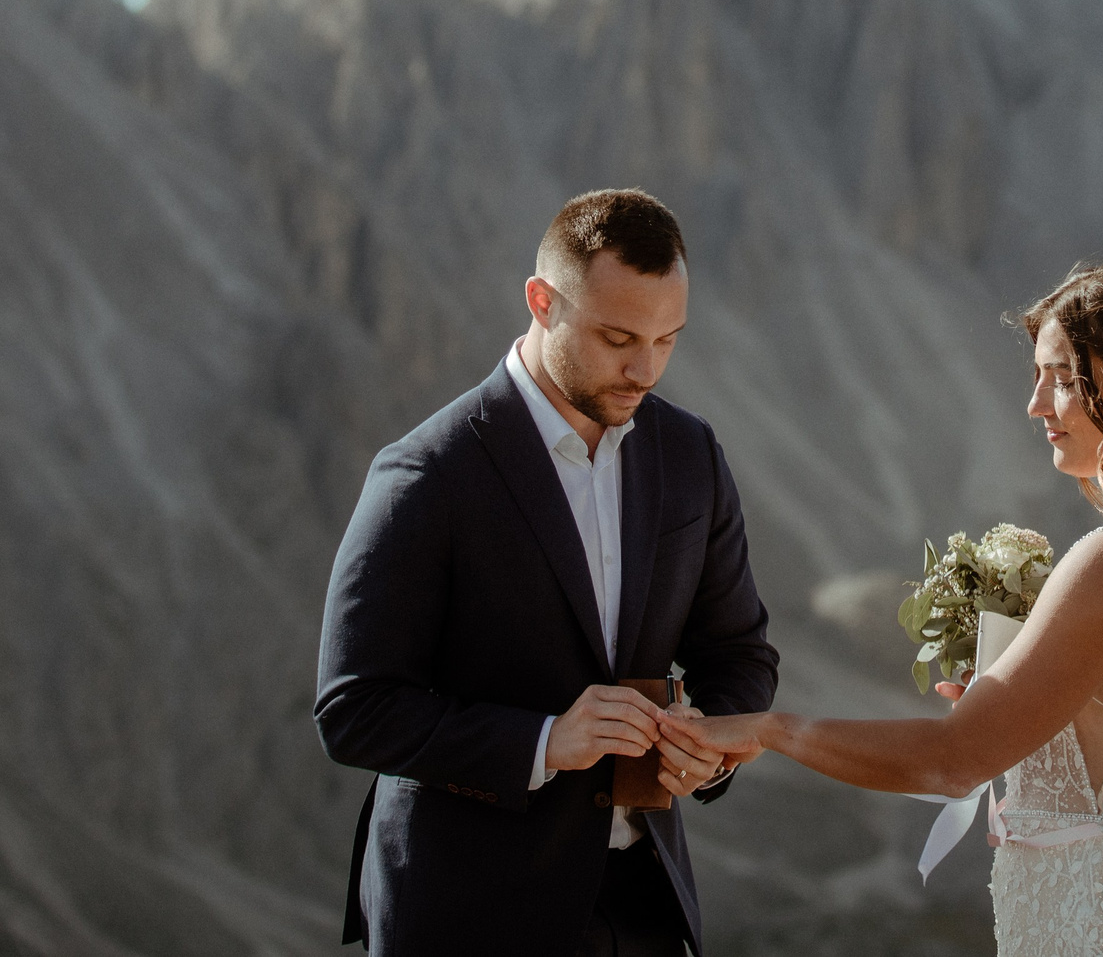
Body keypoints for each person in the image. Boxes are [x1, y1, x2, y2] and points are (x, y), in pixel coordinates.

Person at [662, 261, 1103, 956]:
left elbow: (953, 762)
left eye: (1062, 379)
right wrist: (1044, 716)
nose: (1036, 404)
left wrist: (772, 728)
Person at [316, 188, 779, 956]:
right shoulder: (427, 474)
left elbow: (739, 653)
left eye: (667, 340)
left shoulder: (690, 455)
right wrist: (545, 741)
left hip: (645, 908)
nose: (645, 369)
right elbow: (353, 707)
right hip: (468, 916)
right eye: (618, 337)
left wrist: (712, 741)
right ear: (541, 301)